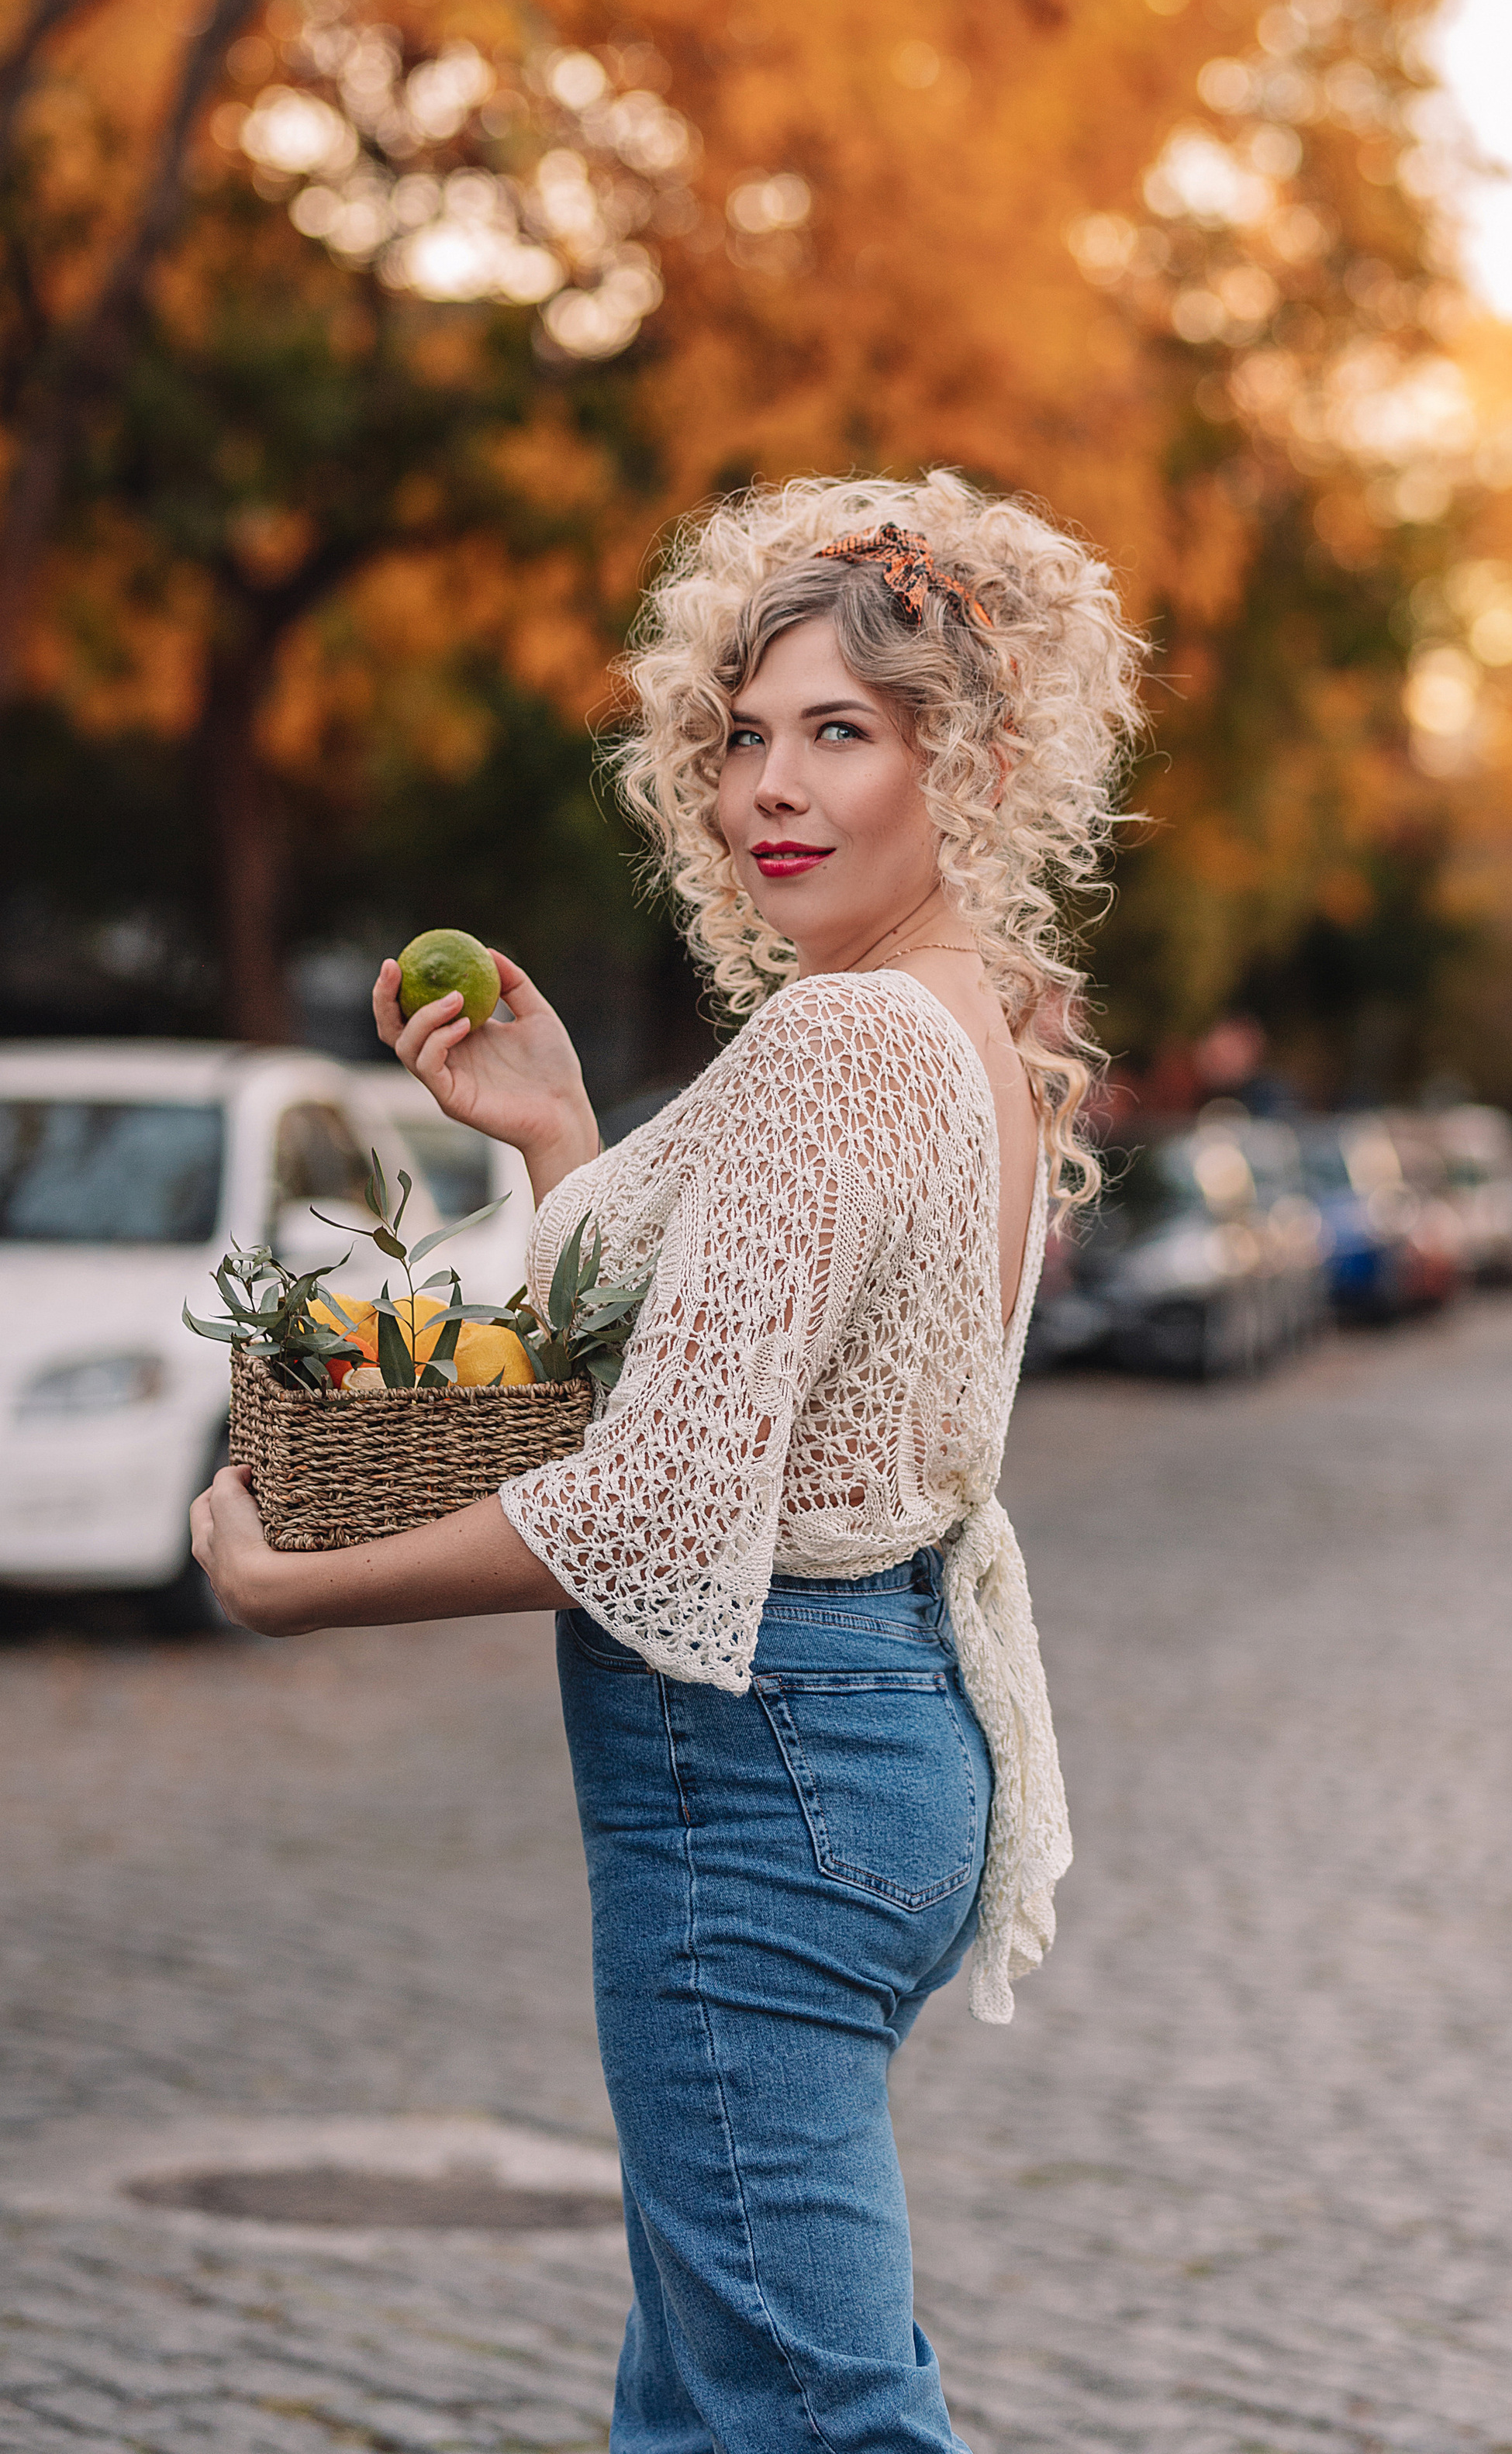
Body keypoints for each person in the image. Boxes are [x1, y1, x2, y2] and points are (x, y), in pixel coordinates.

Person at [192, 470, 1144, 2454]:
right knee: (708, 2397)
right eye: (738, 736)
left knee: (806, 2408)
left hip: (767, 1771)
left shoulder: (837, 1048)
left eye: (839, 735)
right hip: (867, 1738)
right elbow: (717, 1365)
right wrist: (555, 1137)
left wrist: (298, 1589)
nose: (763, 792)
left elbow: (657, 1497)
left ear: (955, 764)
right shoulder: (957, 1027)